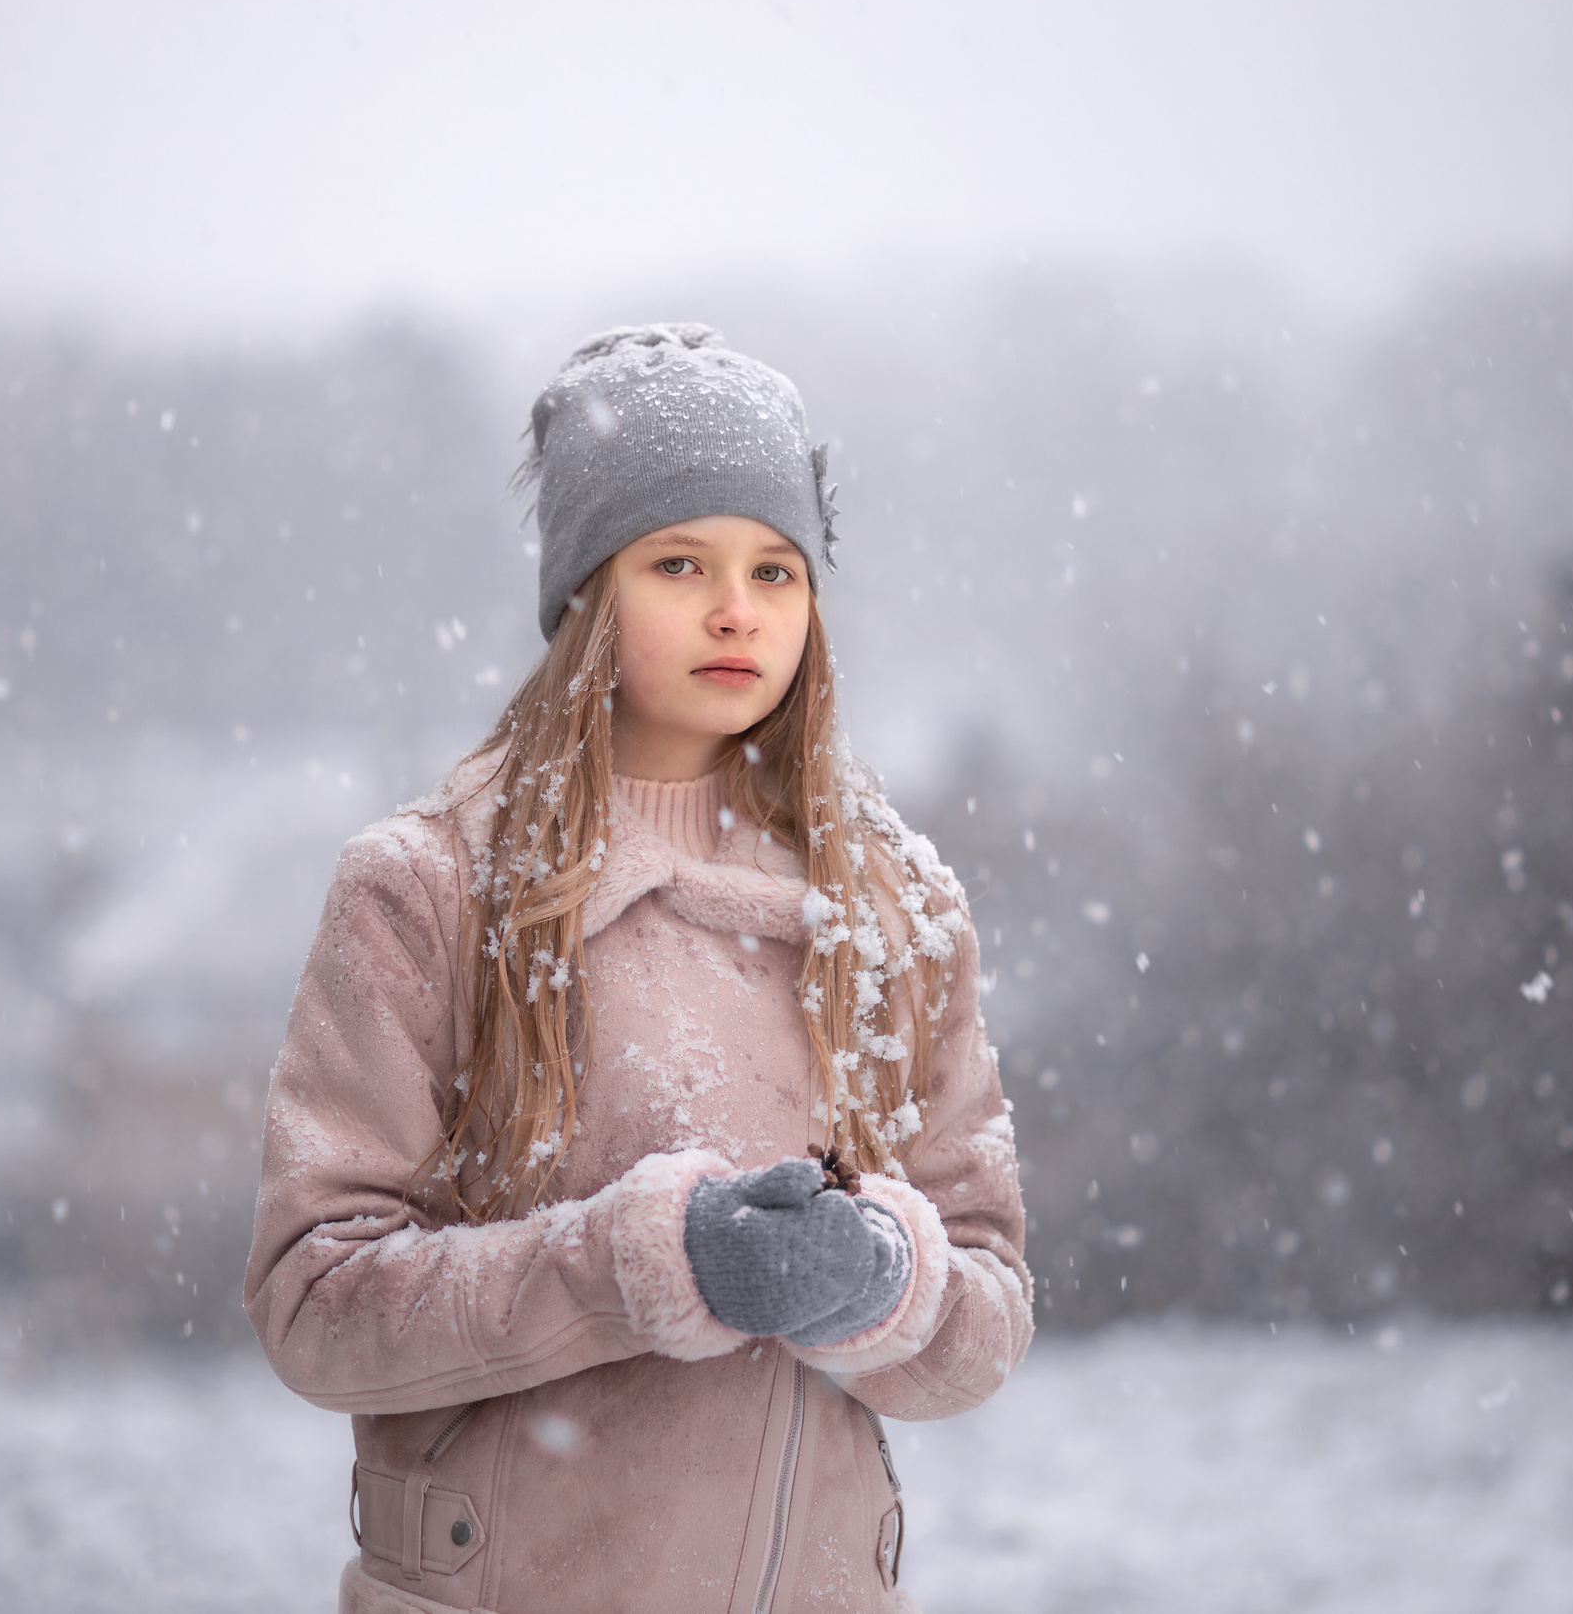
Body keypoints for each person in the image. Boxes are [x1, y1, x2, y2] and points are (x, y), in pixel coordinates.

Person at [245, 324, 1031, 1614]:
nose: (737, 610)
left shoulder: (896, 908)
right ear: (586, 597)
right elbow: (317, 1303)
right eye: (679, 563)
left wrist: (883, 1282)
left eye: (775, 570)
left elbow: (988, 1304)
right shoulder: (431, 888)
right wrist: (647, 1262)